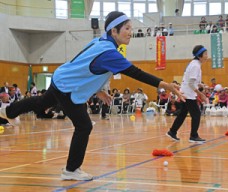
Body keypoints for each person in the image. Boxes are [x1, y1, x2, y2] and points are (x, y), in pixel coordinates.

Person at [0, 11, 185, 181]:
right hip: (68, 87)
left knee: (42, 102)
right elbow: (136, 73)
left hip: (61, 77)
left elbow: (85, 66)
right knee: (84, 126)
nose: (130, 32)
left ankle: (8, 110)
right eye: (127, 28)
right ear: (114, 30)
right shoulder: (110, 52)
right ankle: (71, 170)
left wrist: (98, 90)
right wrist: (166, 85)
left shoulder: (100, 42)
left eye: (131, 29)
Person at [166, 45, 207, 143]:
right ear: (200, 55)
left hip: (186, 92)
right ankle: (193, 136)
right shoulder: (195, 66)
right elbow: (191, 83)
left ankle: (172, 131)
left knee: (183, 113)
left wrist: (201, 84)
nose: (207, 56)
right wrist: (200, 94)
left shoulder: (194, 64)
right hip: (188, 94)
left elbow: (191, 80)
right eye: (205, 54)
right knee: (196, 114)